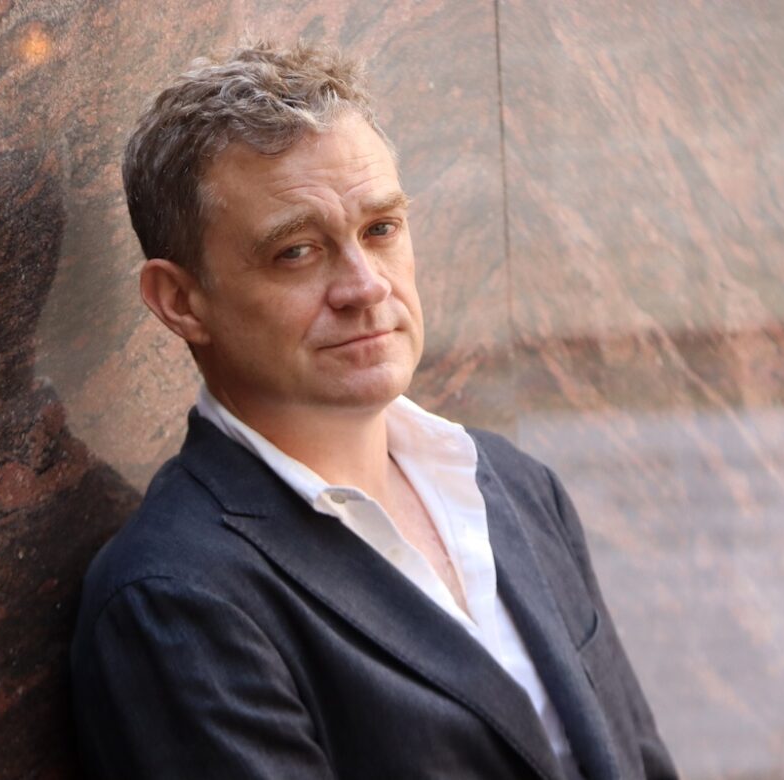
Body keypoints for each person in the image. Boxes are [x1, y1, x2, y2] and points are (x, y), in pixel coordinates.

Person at [71, 41, 677, 780]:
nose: (365, 286)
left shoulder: (517, 489)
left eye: (380, 230)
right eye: (297, 251)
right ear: (180, 301)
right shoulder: (176, 599)